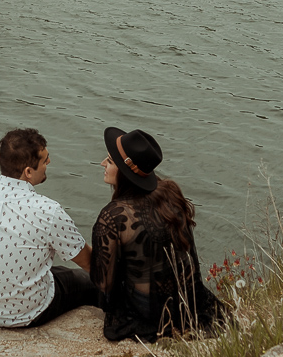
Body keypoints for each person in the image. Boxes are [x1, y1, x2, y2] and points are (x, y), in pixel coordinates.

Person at [0, 128, 103, 328]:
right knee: (87, 280)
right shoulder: (48, 211)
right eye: (45, 160)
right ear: (28, 172)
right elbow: (88, 263)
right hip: (25, 313)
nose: (49, 163)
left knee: (53, 271)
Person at [91, 127, 220, 343]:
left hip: (146, 317)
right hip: (190, 309)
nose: (102, 164)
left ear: (124, 172)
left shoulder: (113, 216)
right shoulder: (170, 194)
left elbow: (103, 284)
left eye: (110, 161)